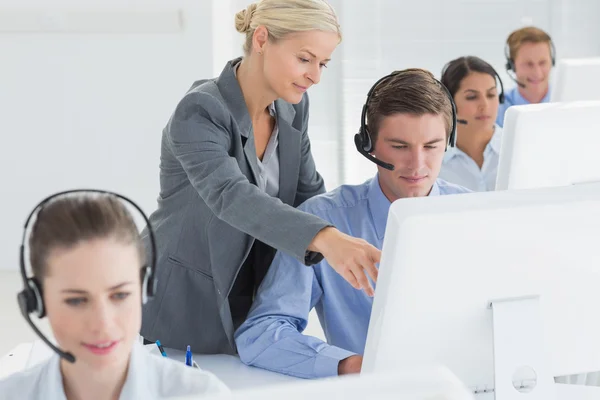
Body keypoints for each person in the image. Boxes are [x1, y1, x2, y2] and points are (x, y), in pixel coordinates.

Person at [140, 0, 382, 357]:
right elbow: (231, 196)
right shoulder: (200, 111)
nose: (315, 75)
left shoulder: (293, 106)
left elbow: (309, 193)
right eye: (305, 58)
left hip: (253, 297)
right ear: (262, 39)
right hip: (183, 301)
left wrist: (361, 242)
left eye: (323, 63)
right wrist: (326, 239)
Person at [234, 69, 471, 379]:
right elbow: (259, 335)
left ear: (448, 142)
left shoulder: (474, 213)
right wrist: (350, 365)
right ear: (368, 145)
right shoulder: (326, 223)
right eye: (399, 147)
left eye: (431, 146)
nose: (417, 165)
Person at [0, 192, 228, 400]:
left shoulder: (202, 395)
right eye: (76, 300)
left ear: (144, 289)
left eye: (120, 295)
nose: (103, 324)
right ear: (38, 301)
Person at [438, 56, 504, 191]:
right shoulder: (435, 159)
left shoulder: (518, 149)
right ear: (450, 103)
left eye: (491, 95)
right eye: (472, 97)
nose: (485, 105)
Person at [497, 26, 555, 127]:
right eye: (528, 64)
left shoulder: (569, 102)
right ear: (512, 66)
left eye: (542, 63)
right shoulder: (497, 109)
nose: (537, 73)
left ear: (552, 62)